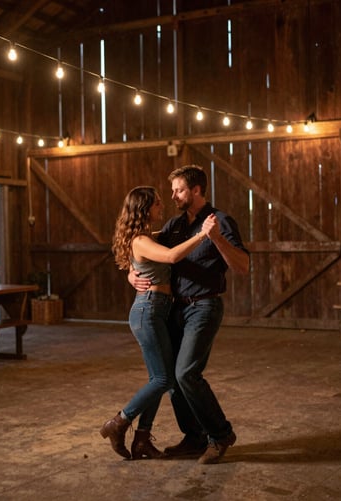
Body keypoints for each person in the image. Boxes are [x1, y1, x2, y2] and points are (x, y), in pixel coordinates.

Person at [129, 165, 250, 464]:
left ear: (196, 191)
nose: (172, 196)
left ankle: (220, 435)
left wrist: (216, 238)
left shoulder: (220, 220)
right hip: (176, 308)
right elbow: (140, 246)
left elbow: (243, 266)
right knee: (170, 377)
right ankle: (194, 437)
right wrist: (131, 274)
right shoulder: (174, 225)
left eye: (179, 190)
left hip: (205, 306)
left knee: (186, 373)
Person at [100, 185, 214, 460]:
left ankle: (141, 439)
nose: (162, 206)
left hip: (158, 309)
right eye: (157, 203)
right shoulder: (140, 240)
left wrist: (131, 274)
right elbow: (173, 256)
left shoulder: (145, 237)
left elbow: (142, 259)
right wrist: (203, 234)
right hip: (148, 311)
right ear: (144, 207)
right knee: (163, 379)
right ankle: (119, 423)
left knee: (160, 378)